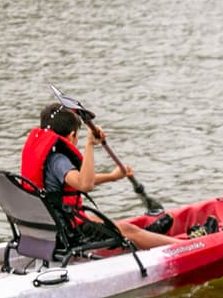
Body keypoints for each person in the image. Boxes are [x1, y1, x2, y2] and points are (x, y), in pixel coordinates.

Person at [20, 102, 179, 250]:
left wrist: (112, 176)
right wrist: (90, 144)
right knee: (128, 230)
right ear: (71, 136)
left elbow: (76, 180)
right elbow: (85, 184)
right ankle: (186, 245)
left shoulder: (45, 156)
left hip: (48, 229)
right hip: (69, 234)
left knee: (109, 224)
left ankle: (144, 236)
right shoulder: (59, 161)